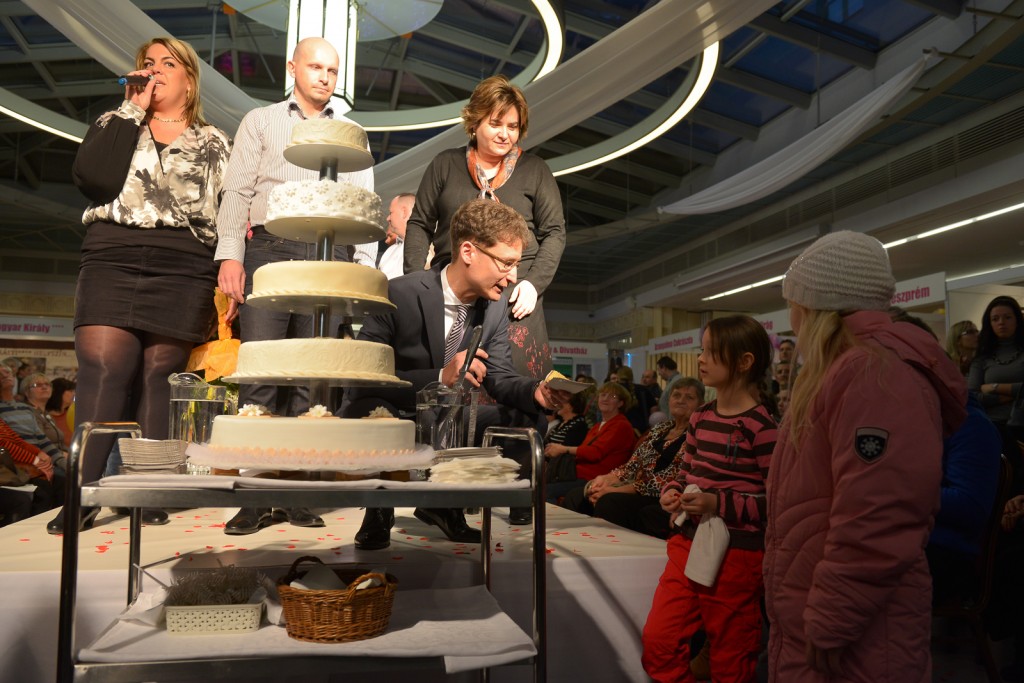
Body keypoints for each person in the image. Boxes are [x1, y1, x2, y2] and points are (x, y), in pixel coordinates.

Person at [763, 231, 966, 682]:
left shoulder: (873, 372)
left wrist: (834, 616)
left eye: (793, 303)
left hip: (857, 628)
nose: (791, 316)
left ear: (814, 306)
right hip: (823, 612)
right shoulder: (846, 369)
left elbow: (881, 511)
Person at [53, 36, 230, 534]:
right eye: (147, 63)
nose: (155, 71)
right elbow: (93, 180)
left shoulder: (215, 141)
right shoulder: (114, 122)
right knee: (105, 368)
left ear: (189, 80)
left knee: (159, 374)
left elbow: (228, 212)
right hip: (113, 253)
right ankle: (82, 493)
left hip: (184, 263)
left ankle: (149, 489)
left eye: (167, 63)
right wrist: (131, 110)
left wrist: (229, 272)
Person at [215, 37, 377, 534]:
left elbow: (363, 204)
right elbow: (237, 190)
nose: (324, 76)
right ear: (292, 68)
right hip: (269, 249)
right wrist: (230, 256)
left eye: (332, 69)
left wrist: (361, 274)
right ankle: (255, 494)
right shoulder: (261, 121)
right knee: (262, 372)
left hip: (330, 257)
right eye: (315, 66)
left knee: (312, 381)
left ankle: (298, 492)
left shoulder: (351, 132)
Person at [343, 199, 570, 550]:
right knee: (375, 413)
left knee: (526, 419)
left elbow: (501, 376)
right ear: (468, 252)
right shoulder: (398, 292)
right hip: (398, 412)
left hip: (453, 419)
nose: (513, 277)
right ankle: (380, 507)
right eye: (506, 263)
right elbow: (363, 374)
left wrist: (535, 391)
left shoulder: (495, 309)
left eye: (516, 265)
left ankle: (446, 506)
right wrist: (440, 375)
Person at [402, 74, 565, 383]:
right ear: (474, 122)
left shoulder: (535, 170)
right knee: (445, 383)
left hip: (515, 294)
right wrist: (416, 282)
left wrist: (534, 284)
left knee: (515, 386)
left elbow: (555, 232)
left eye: (513, 126)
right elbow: (420, 223)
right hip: (452, 293)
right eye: (495, 124)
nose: (505, 134)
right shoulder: (445, 164)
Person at [641, 316, 776, 683]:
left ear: (744, 362)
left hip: (738, 553)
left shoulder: (762, 427)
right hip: (688, 542)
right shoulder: (701, 417)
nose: (701, 359)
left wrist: (719, 504)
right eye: (702, 350)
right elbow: (686, 474)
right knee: (659, 641)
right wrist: (672, 493)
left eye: (711, 352)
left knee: (732, 657)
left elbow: (775, 502)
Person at [563, 378, 705, 538]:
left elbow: (668, 479)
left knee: (609, 501)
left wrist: (614, 490)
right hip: (635, 488)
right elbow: (632, 465)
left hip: (662, 495)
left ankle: (606, 547)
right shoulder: (660, 428)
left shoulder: (698, 435)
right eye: (676, 395)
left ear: (701, 404)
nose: (681, 400)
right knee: (578, 494)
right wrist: (606, 479)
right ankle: (573, 543)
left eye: (689, 397)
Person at [544, 381, 637, 504]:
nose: (605, 399)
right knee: (541, 484)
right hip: (579, 474)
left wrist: (563, 449)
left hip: (597, 479)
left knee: (545, 491)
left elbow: (595, 453)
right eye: (603, 395)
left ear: (621, 403)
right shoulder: (598, 426)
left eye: (612, 396)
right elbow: (584, 452)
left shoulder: (621, 425)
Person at [968, 296, 1024, 482]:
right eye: (995, 318)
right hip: (993, 428)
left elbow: (982, 390)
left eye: (1007, 317)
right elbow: (973, 396)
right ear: (989, 323)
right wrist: (1011, 395)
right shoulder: (982, 358)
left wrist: (994, 387)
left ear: (1017, 320)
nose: (1001, 323)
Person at [19, 374, 66, 458]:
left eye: (47, 384)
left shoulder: (46, 414)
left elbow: (60, 444)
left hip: (59, 457)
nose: (44, 387)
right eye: (38, 385)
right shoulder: (27, 413)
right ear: (26, 392)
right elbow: (40, 445)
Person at [378, 193, 414, 279]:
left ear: (404, 212)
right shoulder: (389, 252)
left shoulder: (429, 245)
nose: (388, 218)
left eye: (391, 213)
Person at [46, 378, 76, 450]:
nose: (74, 394)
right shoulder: (45, 418)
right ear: (59, 393)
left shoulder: (72, 414)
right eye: (70, 391)